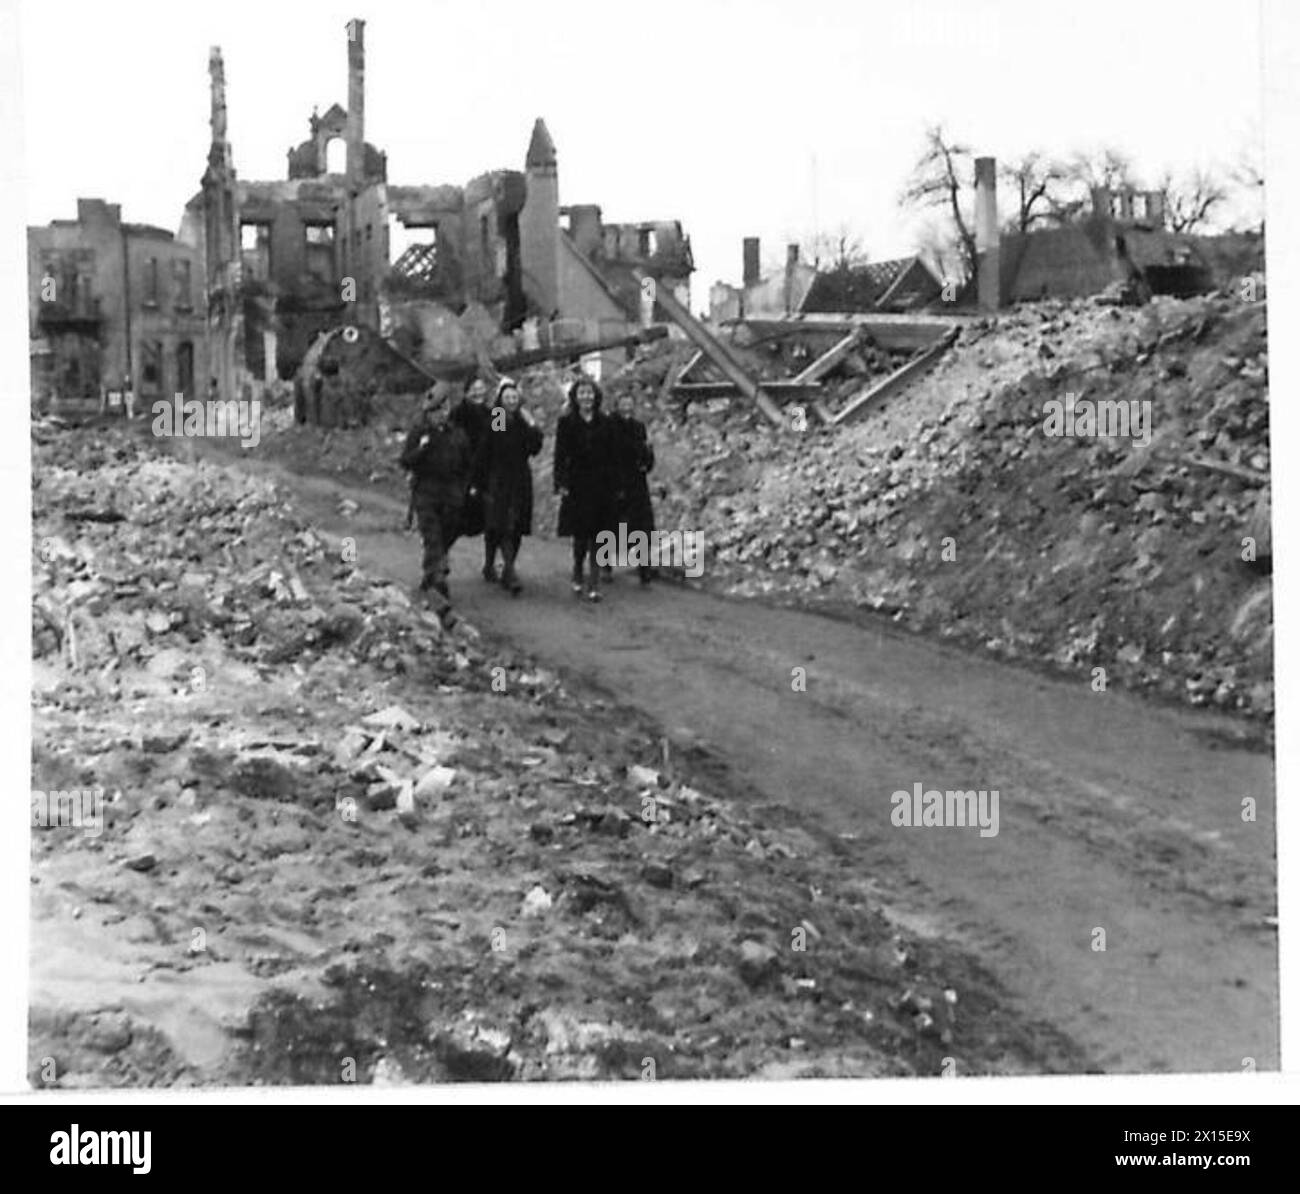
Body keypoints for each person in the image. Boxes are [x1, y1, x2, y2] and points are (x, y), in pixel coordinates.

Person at [399, 382, 474, 623]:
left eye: (443, 409)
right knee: (432, 537)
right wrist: (421, 450)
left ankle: (432, 572)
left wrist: (465, 488)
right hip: (427, 493)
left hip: (451, 495)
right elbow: (406, 461)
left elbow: (466, 464)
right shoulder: (420, 433)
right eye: (435, 411)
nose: (440, 415)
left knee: (446, 536)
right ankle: (438, 584)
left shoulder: (458, 434)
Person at [475, 377, 543, 595]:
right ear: (500, 400)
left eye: (515, 397)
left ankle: (500, 567)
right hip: (500, 477)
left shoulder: (523, 420)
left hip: (520, 478)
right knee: (502, 525)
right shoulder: (498, 417)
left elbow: (534, 447)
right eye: (507, 397)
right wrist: (479, 480)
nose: (512, 401)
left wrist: (532, 425)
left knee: (516, 526)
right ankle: (508, 571)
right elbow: (497, 445)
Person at [554, 376, 613, 602]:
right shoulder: (496, 414)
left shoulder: (605, 421)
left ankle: (594, 579)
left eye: (590, 393)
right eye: (582, 393)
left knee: (598, 534)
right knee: (580, 534)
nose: (586, 397)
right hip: (577, 483)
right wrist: (561, 482)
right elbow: (560, 455)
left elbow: (612, 452)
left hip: (599, 484)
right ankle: (578, 568)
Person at [609, 388, 657, 584]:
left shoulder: (638, 426)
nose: (627, 405)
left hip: (636, 481)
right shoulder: (610, 425)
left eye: (630, 401)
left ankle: (644, 565)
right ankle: (605, 561)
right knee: (614, 523)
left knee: (642, 524)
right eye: (623, 401)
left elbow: (645, 452)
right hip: (615, 480)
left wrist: (648, 457)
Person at [450, 377, 493, 576]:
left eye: (482, 389)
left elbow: (500, 437)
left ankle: (491, 563)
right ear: (466, 391)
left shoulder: (493, 412)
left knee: (493, 520)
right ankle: (439, 562)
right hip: (463, 472)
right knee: (456, 521)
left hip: (487, 473)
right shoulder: (458, 413)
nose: (479, 393)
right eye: (474, 389)